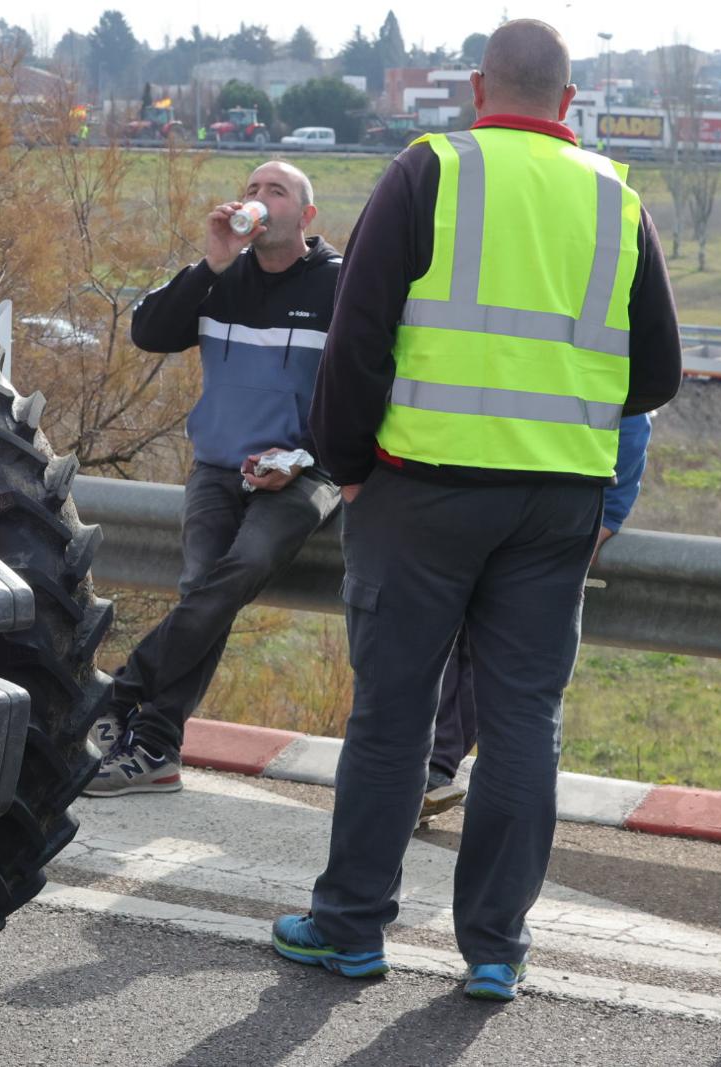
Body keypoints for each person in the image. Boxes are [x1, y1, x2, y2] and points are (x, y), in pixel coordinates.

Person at [270, 19, 680, 997]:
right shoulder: (616, 198)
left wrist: (346, 465)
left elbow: (355, 335)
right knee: (523, 720)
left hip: (420, 488)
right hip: (555, 502)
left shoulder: (430, 170)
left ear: (474, 86)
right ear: (568, 103)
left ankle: (351, 928)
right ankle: (495, 947)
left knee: (393, 714)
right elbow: (655, 370)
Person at [84, 161, 343, 796]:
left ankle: (121, 694)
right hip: (219, 466)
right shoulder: (219, 276)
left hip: (308, 474)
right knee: (204, 588)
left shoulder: (339, 285)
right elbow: (148, 332)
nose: (257, 200)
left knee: (240, 568)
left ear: (306, 217)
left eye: (275, 192)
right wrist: (211, 263)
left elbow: (372, 385)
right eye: (251, 190)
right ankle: (157, 750)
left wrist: (303, 459)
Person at [420, 412, 654, 820]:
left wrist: (607, 515)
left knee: (507, 677)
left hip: (541, 511)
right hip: (490, 499)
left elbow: (632, 418)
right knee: (482, 665)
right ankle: (433, 778)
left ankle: (436, 777)